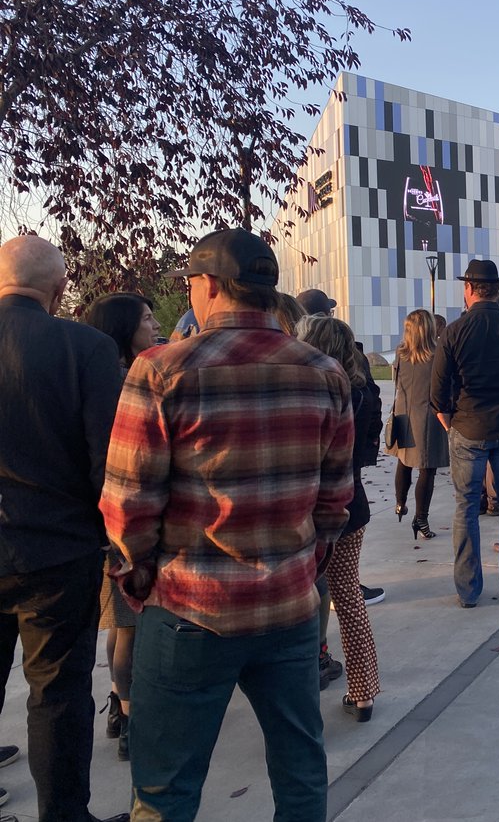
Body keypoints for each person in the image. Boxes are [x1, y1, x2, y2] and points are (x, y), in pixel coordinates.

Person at [101, 228, 355, 821]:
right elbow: (334, 501)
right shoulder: (324, 372)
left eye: (190, 283)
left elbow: (127, 504)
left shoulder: (161, 369)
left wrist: (138, 577)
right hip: (288, 608)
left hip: (190, 607)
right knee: (301, 771)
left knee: (165, 790)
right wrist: (301, 567)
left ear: (209, 285)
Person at [0, 236, 127, 822]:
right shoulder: (85, 347)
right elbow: (108, 462)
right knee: (57, 694)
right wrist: (119, 540)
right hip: (58, 552)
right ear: (59, 289)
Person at [430, 259, 499, 608]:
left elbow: (437, 393)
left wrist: (451, 424)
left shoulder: (453, 332)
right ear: (495, 290)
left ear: (469, 289)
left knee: (466, 507)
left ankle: (468, 590)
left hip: (467, 427)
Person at [82, 291, 161, 763]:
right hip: (121, 520)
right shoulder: (119, 382)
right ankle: (131, 719)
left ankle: (117, 700)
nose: (156, 325)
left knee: (120, 621)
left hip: (107, 520)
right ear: (122, 326)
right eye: (147, 318)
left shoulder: (109, 373)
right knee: (130, 625)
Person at [297, 314, 381, 723]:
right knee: (347, 597)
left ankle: (301, 686)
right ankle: (363, 692)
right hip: (351, 502)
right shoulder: (361, 393)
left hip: (305, 508)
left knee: (299, 600)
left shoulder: (306, 395)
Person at [388, 309, 449, 540]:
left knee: (403, 461)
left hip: (403, 413)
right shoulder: (437, 354)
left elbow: (397, 382)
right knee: (427, 468)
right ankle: (421, 517)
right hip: (428, 415)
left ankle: (400, 502)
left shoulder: (400, 352)